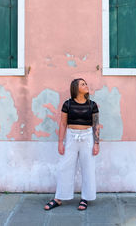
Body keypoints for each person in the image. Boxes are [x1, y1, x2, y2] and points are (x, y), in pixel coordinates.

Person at [44, 78, 100, 211]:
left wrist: (96, 143)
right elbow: (63, 124)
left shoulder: (92, 105)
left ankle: (85, 198)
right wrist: (60, 142)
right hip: (71, 137)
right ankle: (59, 198)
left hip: (87, 138)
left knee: (88, 168)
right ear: (76, 88)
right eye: (83, 84)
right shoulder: (67, 104)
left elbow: (96, 125)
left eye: (86, 83)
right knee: (65, 167)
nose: (86, 86)